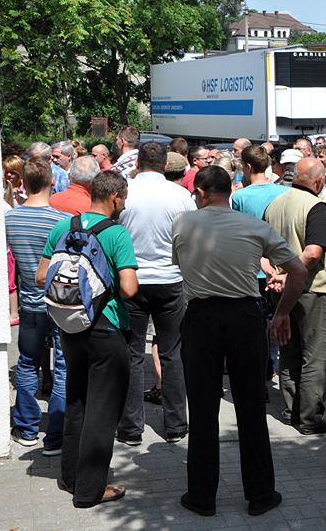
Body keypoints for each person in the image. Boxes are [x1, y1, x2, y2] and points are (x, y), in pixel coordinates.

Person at [172, 165, 307, 518]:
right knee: (251, 408)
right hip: (245, 318)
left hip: (200, 317)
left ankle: (201, 497)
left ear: (200, 192)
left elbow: (179, 265)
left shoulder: (183, 224)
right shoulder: (254, 226)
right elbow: (299, 270)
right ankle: (260, 494)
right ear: (229, 190)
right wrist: (282, 313)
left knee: (202, 410)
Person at [36, 171, 139, 508]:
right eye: (124, 199)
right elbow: (129, 288)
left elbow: (41, 276)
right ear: (115, 198)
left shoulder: (63, 227)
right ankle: (91, 491)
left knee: (76, 401)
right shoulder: (116, 233)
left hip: (69, 326)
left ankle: (70, 477)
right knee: (103, 411)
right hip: (105, 329)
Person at [115, 142, 195, 446]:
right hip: (171, 281)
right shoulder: (180, 196)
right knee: (172, 353)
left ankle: (131, 429)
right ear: (165, 164)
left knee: (132, 354)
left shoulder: (126, 192)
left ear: (138, 162)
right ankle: (176, 426)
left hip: (131, 280)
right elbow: (190, 237)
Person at [264, 158, 326, 434]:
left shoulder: (276, 203)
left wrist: (277, 274)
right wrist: (290, 273)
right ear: (319, 181)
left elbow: (261, 248)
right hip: (313, 289)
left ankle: (293, 409)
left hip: (283, 289)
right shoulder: (315, 206)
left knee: (290, 349)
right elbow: (313, 252)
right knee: (319, 354)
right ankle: (311, 417)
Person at [5, 158, 69, 454]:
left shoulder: (10, 219)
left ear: (23, 182)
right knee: (63, 368)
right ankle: (56, 435)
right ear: (51, 182)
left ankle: (28, 428)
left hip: (30, 304)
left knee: (28, 364)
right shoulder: (61, 221)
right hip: (58, 302)